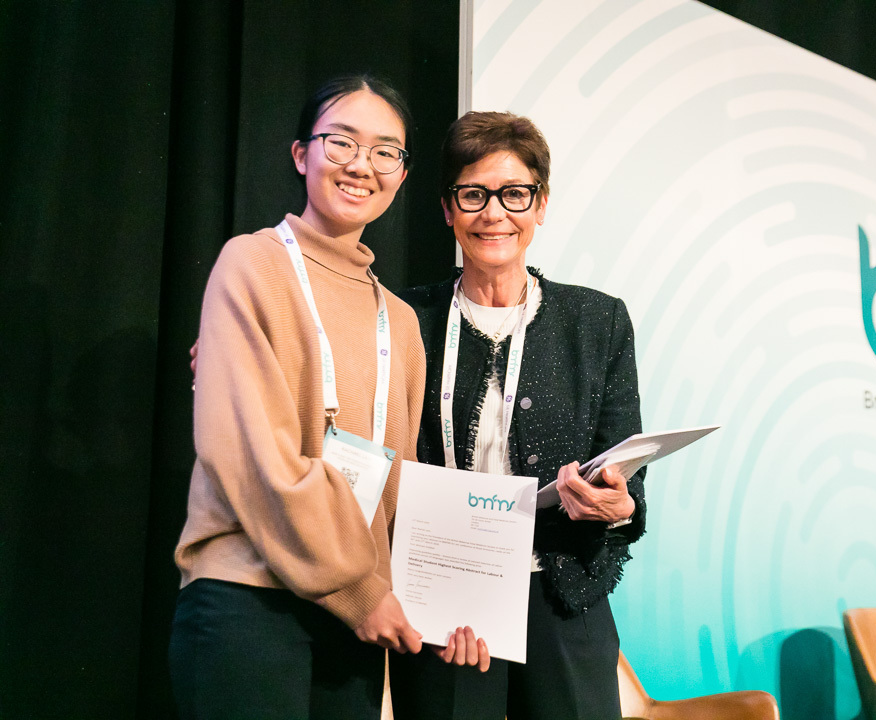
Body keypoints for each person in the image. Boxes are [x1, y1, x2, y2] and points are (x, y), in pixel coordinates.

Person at [170, 75, 441, 720]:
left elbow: (396, 484)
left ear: (401, 175)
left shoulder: (401, 322)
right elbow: (250, 455)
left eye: (385, 151)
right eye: (341, 142)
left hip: (352, 625)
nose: (362, 165)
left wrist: (439, 605)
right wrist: (359, 591)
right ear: (301, 154)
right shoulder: (252, 264)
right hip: (249, 597)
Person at [389, 111, 646, 720]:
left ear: (541, 204)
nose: (494, 213)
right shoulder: (405, 317)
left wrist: (618, 505)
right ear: (447, 208)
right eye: (473, 194)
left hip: (562, 594)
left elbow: (628, 476)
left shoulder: (597, 321)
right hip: (445, 593)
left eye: (514, 194)